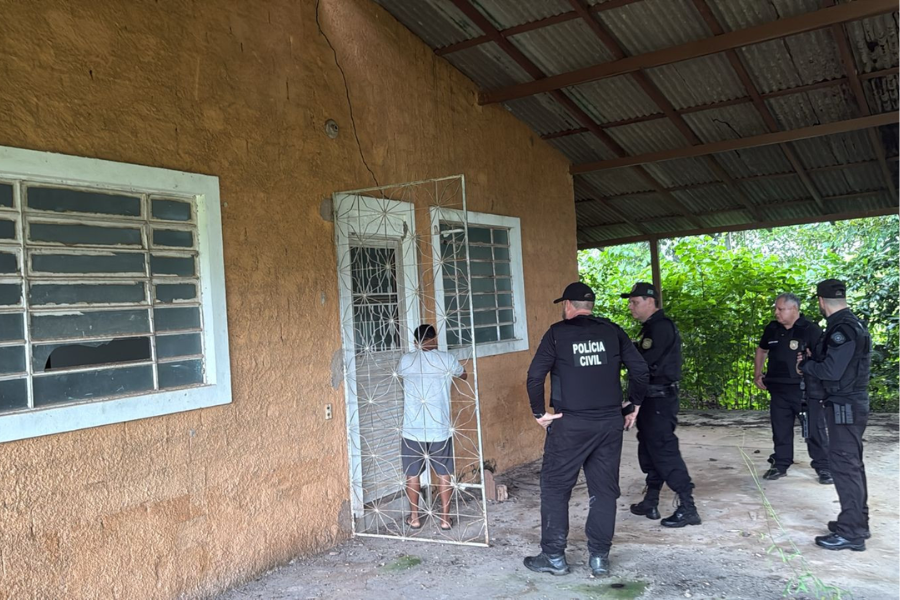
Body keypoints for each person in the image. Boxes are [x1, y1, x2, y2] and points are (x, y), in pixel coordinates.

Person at [523, 282, 649, 577]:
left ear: (568, 305)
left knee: (555, 488)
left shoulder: (557, 333)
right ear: (589, 307)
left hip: (570, 423)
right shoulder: (612, 331)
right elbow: (640, 371)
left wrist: (539, 413)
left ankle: (553, 557)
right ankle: (599, 559)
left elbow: (534, 376)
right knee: (604, 491)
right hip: (608, 423)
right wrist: (633, 405)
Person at [798, 279, 872, 551]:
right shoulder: (850, 324)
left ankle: (852, 533)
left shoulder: (843, 329)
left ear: (821, 301)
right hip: (848, 404)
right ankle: (856, 522)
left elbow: (832, 371)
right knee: (851, 464)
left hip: (845, 406)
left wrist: (807, 365)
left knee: (844, 466)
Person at [621, 282, 700, 528]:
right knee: (649, 451)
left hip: (659, 400)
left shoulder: (661, 328)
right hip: (651, 399)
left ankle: (688, 507)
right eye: (630, 302)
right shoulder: (650, 329)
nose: (631, 306)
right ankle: (651, 500)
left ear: (651, 302)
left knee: (664, 451)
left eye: (635, 302)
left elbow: (643, 365)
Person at [754, 293, 831, 484]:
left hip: (805, 390)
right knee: (780, 429)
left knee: (814, 429)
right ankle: (780, 464)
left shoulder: (810, 330)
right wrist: (758, 373)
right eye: (776, 309)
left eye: (780, 309)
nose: (776, 313)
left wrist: (811, 358)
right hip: (778, 388)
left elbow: (824, 358)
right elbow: (762, 350)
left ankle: (823, 467)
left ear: (794, 309)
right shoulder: (772, 329)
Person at [397, 324, 467, 531]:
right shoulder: (447, 359)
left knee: (412, 474)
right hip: (439, 428)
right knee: (444, 474)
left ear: (415, 341)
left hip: (412, 428)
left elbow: (402, 375)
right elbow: (463, 375)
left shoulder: (406, 360)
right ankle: (445, 519)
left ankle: (415, 517)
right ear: (435, 338)